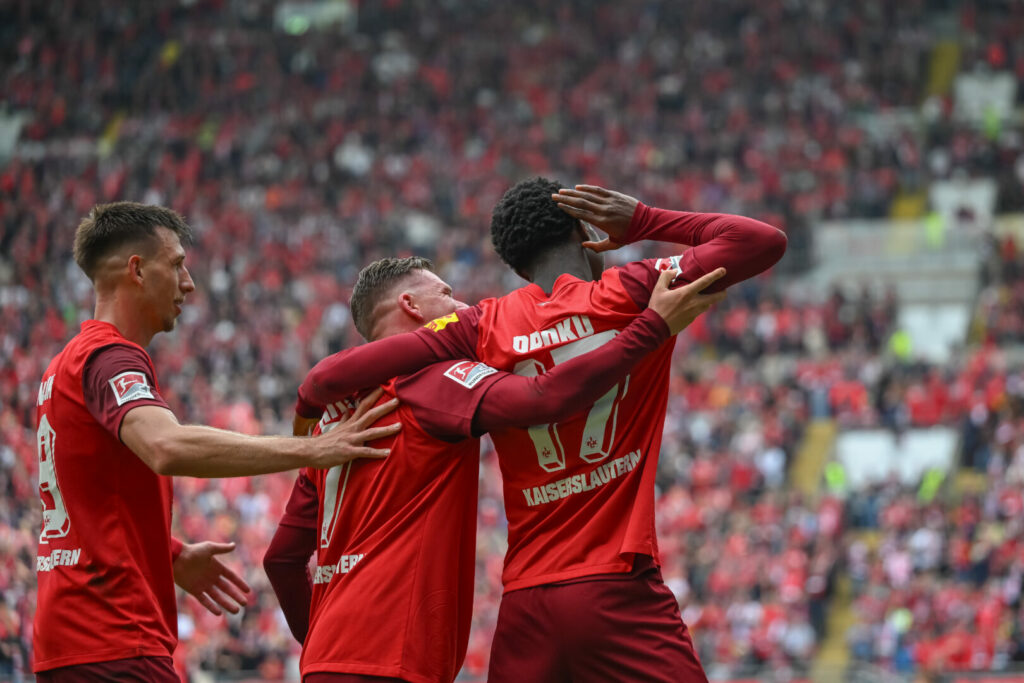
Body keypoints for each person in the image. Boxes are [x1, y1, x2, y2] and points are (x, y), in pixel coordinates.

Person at [292, 182, 787, 681]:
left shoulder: (482, 326)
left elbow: (329, 376)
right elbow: (760, 240)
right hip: (617, 584)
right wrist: (642, 221)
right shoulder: (641, 292)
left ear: (516, 265)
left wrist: (309, 413)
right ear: (585, 231)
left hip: (527, 600)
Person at [33, 202, 400, 681]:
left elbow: (85, 495)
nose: (189, 283)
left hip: (68, 637)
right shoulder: (110, 357)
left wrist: (170, 555)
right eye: (178, 264)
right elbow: (167, 447)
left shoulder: (64, 365)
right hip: (114, 638)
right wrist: (313, 448)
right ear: (137, 270)